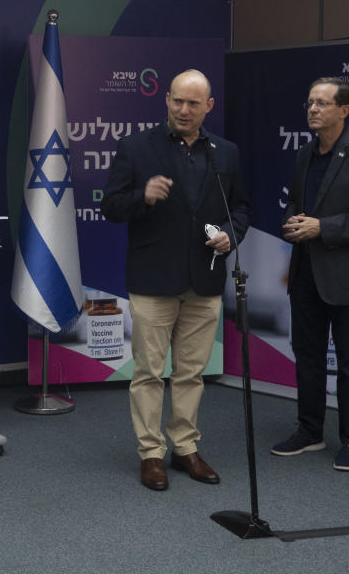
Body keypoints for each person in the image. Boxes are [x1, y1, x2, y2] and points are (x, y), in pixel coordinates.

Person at [101, 69, 251, 491]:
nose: (184, 110)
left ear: (209, 106)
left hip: (204, 278)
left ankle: (185, 447)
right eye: (177, 102)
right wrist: (142, 197)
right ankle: (151, 453)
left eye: (193, 103)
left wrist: (230, 234)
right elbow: (111, 205)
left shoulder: (226, 152)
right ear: (166, 100)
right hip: (153, 278)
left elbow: (240, 209)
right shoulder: (135, 146)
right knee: (149, 372)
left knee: (191, 372)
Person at [271, 77, 349, 471]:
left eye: (322, 103)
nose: (312, 110)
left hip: (347, 277)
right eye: (309, 103)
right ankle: (309, 431)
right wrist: (291, 222)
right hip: (305, 272)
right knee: (307, 356)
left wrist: (323, 227)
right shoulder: (305, 154)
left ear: (344, 110)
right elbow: (294, 203)